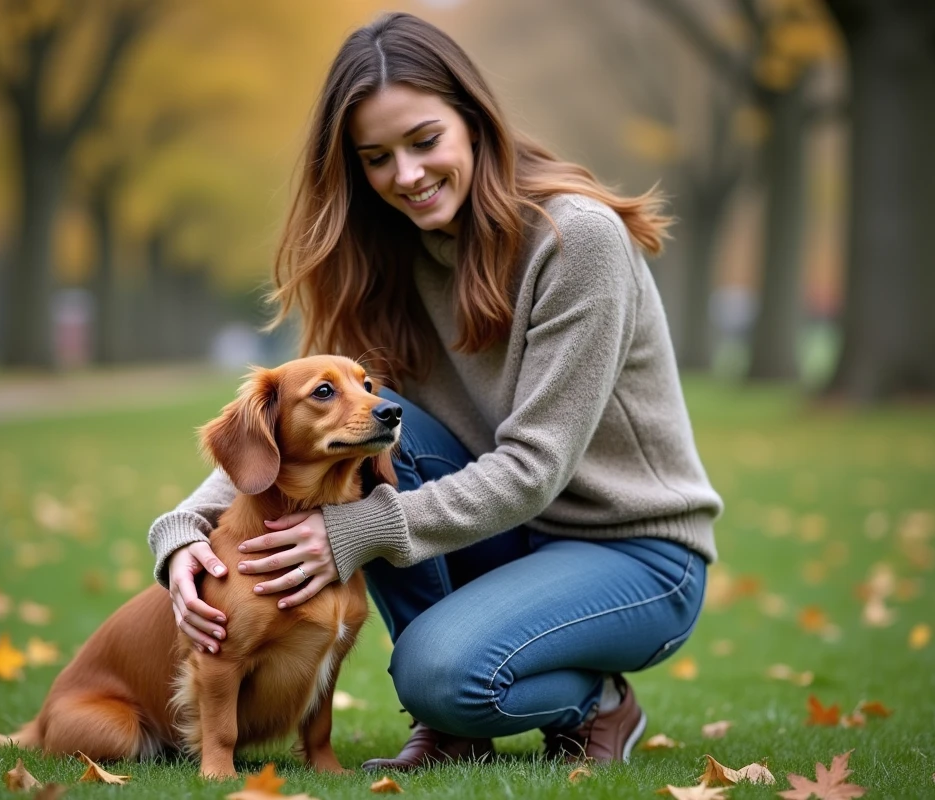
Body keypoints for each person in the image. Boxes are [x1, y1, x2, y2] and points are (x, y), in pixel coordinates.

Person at [148, 11, 721, 770]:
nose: (407, 175)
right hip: (508, 537)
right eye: (377, 157)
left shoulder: (575, 241)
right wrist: (183, 532)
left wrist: (353, 533)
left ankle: (595, 703)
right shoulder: (384, 261)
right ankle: (452, 716)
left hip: (635, 554)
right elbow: (295, 431)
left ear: (474, 123)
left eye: (424, 141)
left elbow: (532, 468)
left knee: (443, 677)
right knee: (368, 427)